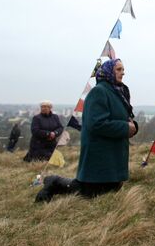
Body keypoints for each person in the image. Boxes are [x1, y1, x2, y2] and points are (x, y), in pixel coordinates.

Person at [35, 59, 138, 202]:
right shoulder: (99, 92)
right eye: (119, 69)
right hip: (100, 152)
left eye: (123, 69)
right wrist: (126, 128)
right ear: (108, 72)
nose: (123, 72)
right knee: (87, 192)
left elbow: (123, 117)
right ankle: (55, 181)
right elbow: (97, 123)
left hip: (113, 153)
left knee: (111, 189)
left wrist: (133, 127)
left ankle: (59, 181)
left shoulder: (117, 92)